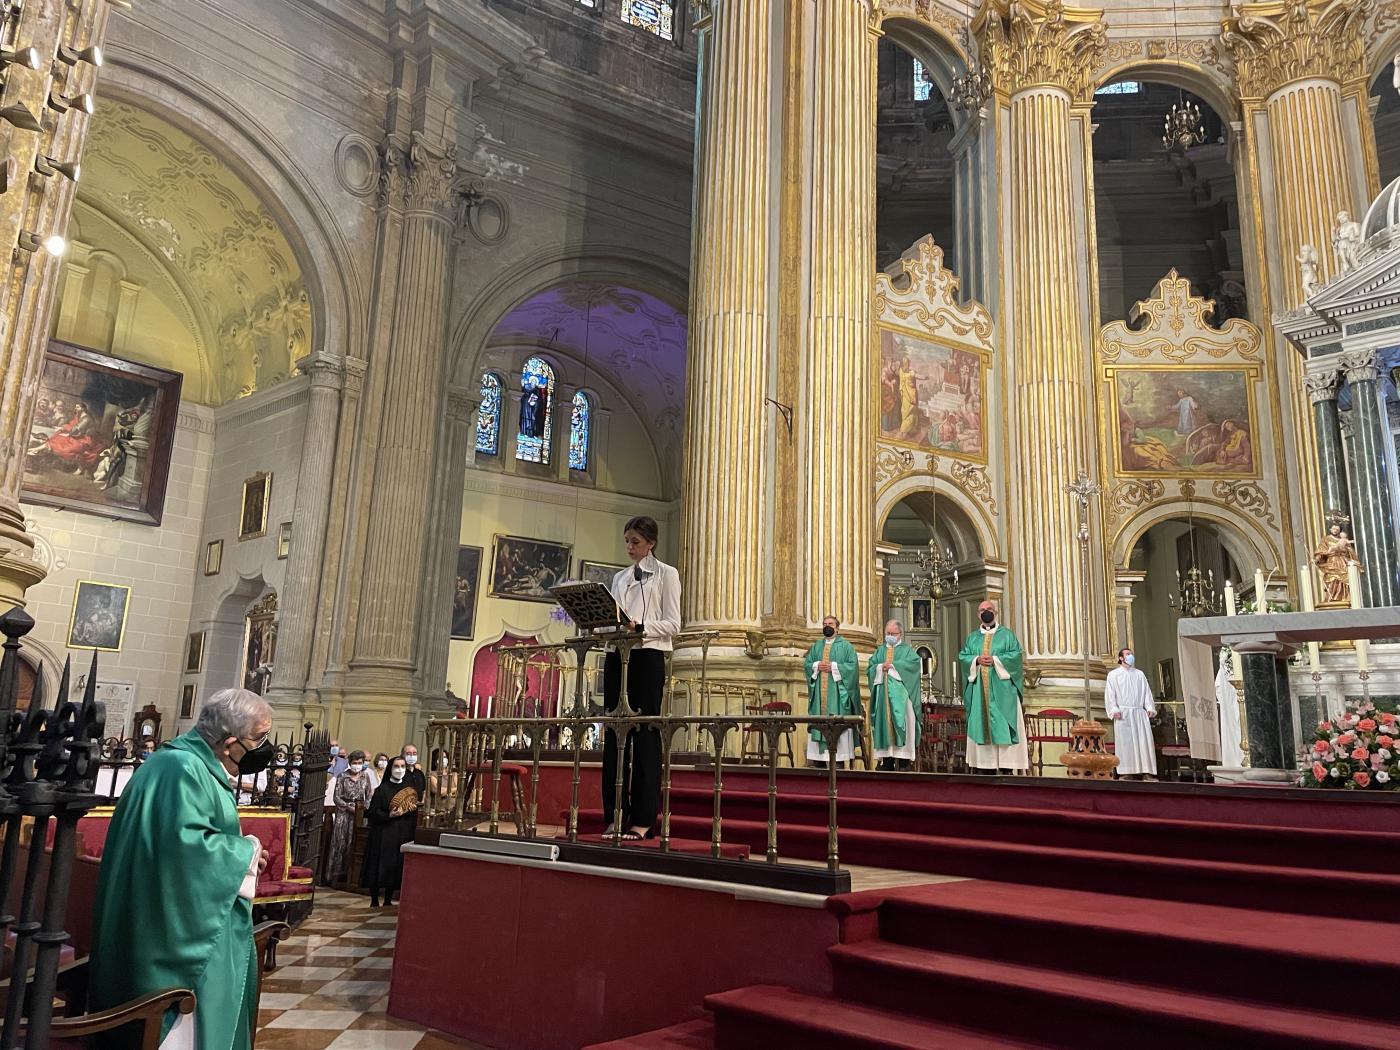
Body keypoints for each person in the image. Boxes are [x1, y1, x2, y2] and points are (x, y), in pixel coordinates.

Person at [89, 688, 274, 1050]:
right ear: (228, 741)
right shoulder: (181, 768)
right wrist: (246, 851)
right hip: (171, 930)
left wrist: (242, 855)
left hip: (171, 910)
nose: (263, 748)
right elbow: (185, 849)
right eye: (258, 738)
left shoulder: (191, 764)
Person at [602, 515, 682, 839]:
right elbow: (613, 617)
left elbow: (674, 624)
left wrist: (642, 627)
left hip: (648, 657)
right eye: (627, 542)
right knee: (614, 738)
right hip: (617, 656)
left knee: (645, 736)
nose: (630, 548)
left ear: (651, 543)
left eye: (635, 542)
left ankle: (643, 819)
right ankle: (615, 814)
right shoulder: (620, 578)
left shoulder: (666, 575)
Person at [958, 600, 1029, 774]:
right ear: (978, 614)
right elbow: (963, 656)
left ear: (995, 613)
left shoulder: (1007, 635)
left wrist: (996, 660)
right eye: (982, 610)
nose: (986, 612)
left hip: (1003, 692)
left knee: (1003, 723)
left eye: (989, 609)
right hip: (980, 692)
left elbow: (1016, 657)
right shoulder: (972, 638)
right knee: (983, 724)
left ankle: (1006, 767)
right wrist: (976, 660)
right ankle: (986, 767)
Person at [362, 755, 419, 907]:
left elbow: (412, 810)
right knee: (378, 864)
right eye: (396, 766)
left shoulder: (409, 789)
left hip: (401, 833)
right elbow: (373, 812)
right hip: (383, 833)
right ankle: (374, 899)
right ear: (390, 769)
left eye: (402, 767)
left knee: (394, 866)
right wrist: (389, 815)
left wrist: (412, 809)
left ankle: (388, 899)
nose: (399, 770)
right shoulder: (382, 789)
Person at [804, 615, 860, 768]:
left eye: (830, 623)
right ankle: (819, 761)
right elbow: (807, 664)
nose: (827, 626)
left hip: (837, 697)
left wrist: (834, 667)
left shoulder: (846, 646)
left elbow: (853, 667)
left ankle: (839, 763)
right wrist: (816, 665)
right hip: (819, 700)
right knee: (819, 724)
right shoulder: (816, 646)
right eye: (824, 624)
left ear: (837, 628)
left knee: (837, 725)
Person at [869, 619, 921, 771]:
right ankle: (887, 761)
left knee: (903, 723)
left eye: (893, 634)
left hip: (902, 698)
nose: (890, 636)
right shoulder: (880, 651)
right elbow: (871, 667)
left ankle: (903, 761)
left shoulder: (907, 650)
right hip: (883, 696)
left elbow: (913, 666)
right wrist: (879, 667)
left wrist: (892, 666)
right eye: (888, 633)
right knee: (884, 724)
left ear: (900, 634)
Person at [1105, 648, 1157, 780]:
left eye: (1131, 654)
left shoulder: (1139, 674)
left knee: (1143, 742)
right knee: (1125, 743)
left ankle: (1147, 771)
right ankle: (1126, 772)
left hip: (1139, 712)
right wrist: (1114, 710)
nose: (1130, 656)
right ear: (1121, 658)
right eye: (1128, 654)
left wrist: (1149, 707)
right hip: (1123, 714)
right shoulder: (1113, 675)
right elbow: (1110, 694)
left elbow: (1146, 692)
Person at [327, 749, 373, 884]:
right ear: (350, 762)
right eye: (355, 762)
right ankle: (335, 875)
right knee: (340, 843)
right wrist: (348, 807)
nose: (357, 765)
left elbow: (369, 795)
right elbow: (336, 797)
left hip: (359, 813)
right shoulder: (342, 776)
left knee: (354, 844)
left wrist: (362, 808)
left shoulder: (365, 776)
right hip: (343, 814)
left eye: (359, 762)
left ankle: (351, 876)